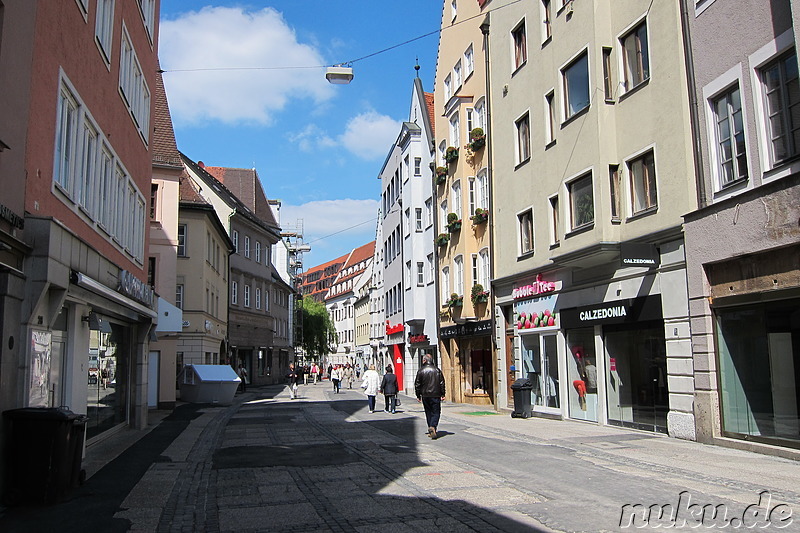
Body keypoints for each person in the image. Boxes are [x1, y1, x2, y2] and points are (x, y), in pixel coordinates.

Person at [415, 354, 446, 439]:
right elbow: (442, 383)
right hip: (435, 394)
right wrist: (443, 394)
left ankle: (431, 428)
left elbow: (417, 384)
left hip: (425, 395)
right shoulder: (437, 370)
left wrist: (418, 395)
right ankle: (433, 426)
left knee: (428, 412)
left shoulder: (421, 371)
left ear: (425, 360)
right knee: (436, 412)